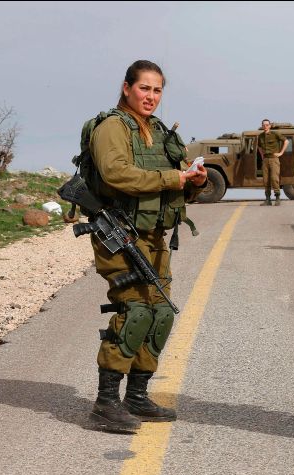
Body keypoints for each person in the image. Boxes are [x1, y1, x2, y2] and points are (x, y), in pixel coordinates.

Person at [87, 60, 207, 433]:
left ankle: (136, 396)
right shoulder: (112, 127)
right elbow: (115, 173)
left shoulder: (157, 131)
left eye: (157, 90)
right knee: (135, 311)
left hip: (154, 235)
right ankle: (105, 403)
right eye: (144, 88)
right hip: (120, 234)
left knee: (160, 314)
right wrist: (173, 177)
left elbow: (176, 176)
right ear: (126, 88)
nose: (151, 96)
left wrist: (194, 180)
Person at [257, 119, 288, 206]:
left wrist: (281, 153)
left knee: (274, 179)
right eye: (263, 125)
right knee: (266, 180)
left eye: (267, 125)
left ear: (270, 125)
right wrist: (262, 155)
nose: (265, 126)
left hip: (274, 159)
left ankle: (277, 198)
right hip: (265, 160)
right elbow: (259, 146)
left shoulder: (275, 134)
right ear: (262, 126)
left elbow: (286, 141)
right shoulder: (260, 136)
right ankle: (268, 200)